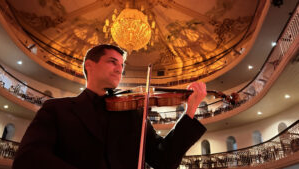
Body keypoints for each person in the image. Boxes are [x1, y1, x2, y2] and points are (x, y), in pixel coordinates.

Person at [12, 44, 207, 169]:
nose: (119, 70)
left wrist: (190, 111)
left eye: (122, 66)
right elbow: (29, 159)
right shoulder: (56, 109)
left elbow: (164, 160)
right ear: (90, 65)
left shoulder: (133, 113)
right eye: (113, 62)